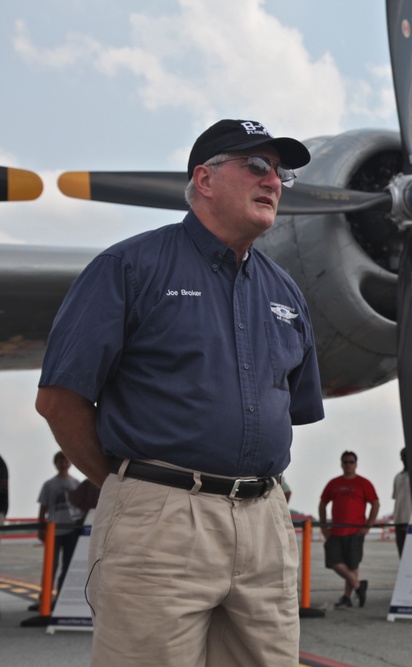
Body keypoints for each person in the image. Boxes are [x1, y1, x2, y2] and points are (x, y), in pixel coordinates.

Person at [35, 118, 324, 666]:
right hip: (159, 520)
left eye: (280, 172)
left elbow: (293, 407)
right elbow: (59, 400)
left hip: (264, 520)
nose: (274, 182)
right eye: (257, 166)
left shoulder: (286, 292)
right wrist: (133, 487)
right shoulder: (127, 267)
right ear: (205, 180)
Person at [319, 450, 380, 609]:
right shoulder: (334, 483)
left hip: (355, 531)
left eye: (351, 462)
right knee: (334, 561)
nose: (348, 465)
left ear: (356, 464)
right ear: (341, 464)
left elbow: (375, 503)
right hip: (336, 531)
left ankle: (347, 596)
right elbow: (323, 503)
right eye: (345, 462)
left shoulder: (363, 483)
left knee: (352, 565)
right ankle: (359, 586)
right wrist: (324, 525)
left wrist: (368, 525)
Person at [36, 452, 81, 596]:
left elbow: (82, 506)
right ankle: (45, 598)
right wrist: (40, 527)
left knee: (68, 566)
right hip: (53, 529)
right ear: (55, 464)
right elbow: (43, 507)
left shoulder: (76, 483)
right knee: (51, 565)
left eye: (65, 461)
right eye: (60, 461)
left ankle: (61, 597)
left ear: (70, 463)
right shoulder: (49, 485)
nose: (63, 464)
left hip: (71, 529)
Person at [392, 448, 412, 557]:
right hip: (399, 521)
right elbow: (397, 498)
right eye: (403, 456)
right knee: (402, 554)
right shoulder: (398, 477)